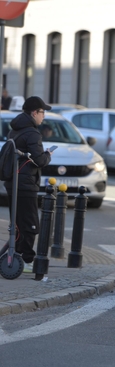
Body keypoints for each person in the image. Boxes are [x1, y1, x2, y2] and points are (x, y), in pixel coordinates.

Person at [3, 96, 54, 272]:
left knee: (17, 224)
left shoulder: (15, 130)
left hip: (13, 181)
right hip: (25, 183)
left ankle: (11, 257)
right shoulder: (32, 133)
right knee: (30, 224)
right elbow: (39, 160)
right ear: (34, 112)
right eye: (42, 112)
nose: (44, 116)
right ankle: (26, 261)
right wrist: (48, 155)